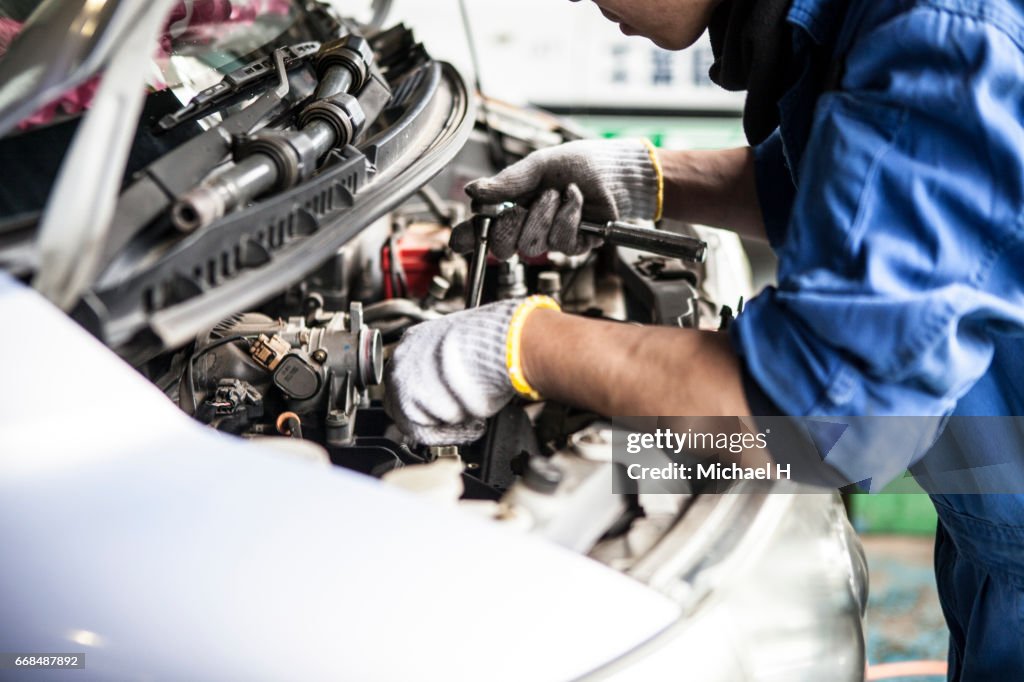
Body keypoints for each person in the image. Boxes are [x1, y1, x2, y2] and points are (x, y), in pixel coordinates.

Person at [384, 0, 1024, 678]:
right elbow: (853, 186)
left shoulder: (945, 32)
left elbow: (821, 417)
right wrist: (644, 181)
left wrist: (521, 346)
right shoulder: (880, 19)